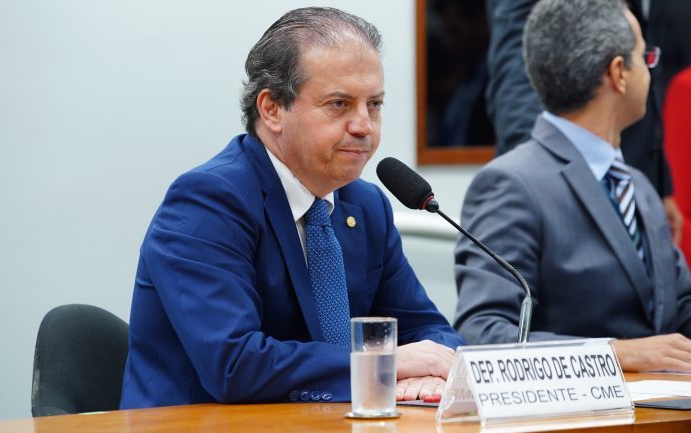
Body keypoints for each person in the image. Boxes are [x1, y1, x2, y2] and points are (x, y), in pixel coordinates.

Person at [120, 7, 464, 409]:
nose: (364, 126)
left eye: (374, 104)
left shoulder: (366, 205)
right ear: (271, 109)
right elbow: (234, 366)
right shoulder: (208, 202)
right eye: (339, 104)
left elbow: (428, 330)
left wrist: (429, 370)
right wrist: (384, 364)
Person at [454, 0, 691, 372]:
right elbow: (483, 332)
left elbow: (680, 308)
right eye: (644, 57)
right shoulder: (512, 183)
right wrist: (617, 353)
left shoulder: (639, 186)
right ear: (619, 73)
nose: (651, 72)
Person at [484, 0, 684, 244]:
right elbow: (517, 77)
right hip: (568, 185)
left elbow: (642, 53)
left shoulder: (643, 191)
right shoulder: (526, 191)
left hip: (633, 176)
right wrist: (537, 189)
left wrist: (659, 183)